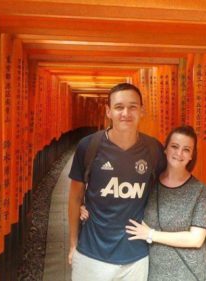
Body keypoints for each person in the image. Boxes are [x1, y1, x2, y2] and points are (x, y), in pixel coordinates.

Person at [81, 125, 206, 281]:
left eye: (186, 149)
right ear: (165, 150)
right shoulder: (150, 182)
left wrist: (151, 234)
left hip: (189, 272)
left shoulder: (199, 190)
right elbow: (121, 199)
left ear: (192, 156)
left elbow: (196, 239)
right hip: (154, 272)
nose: (179, 153)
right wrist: (84, 207)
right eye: (174, 146)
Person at [68, 83, 165, 281]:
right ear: (108, 112)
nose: (126, 113)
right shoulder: (88, 146)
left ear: (142, 111)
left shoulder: (153, 149)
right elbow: (75, 197)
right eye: (119, 107)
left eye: (133, 107)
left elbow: (165, 190)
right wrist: (72, 245)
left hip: (135, 255)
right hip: (91, 254)